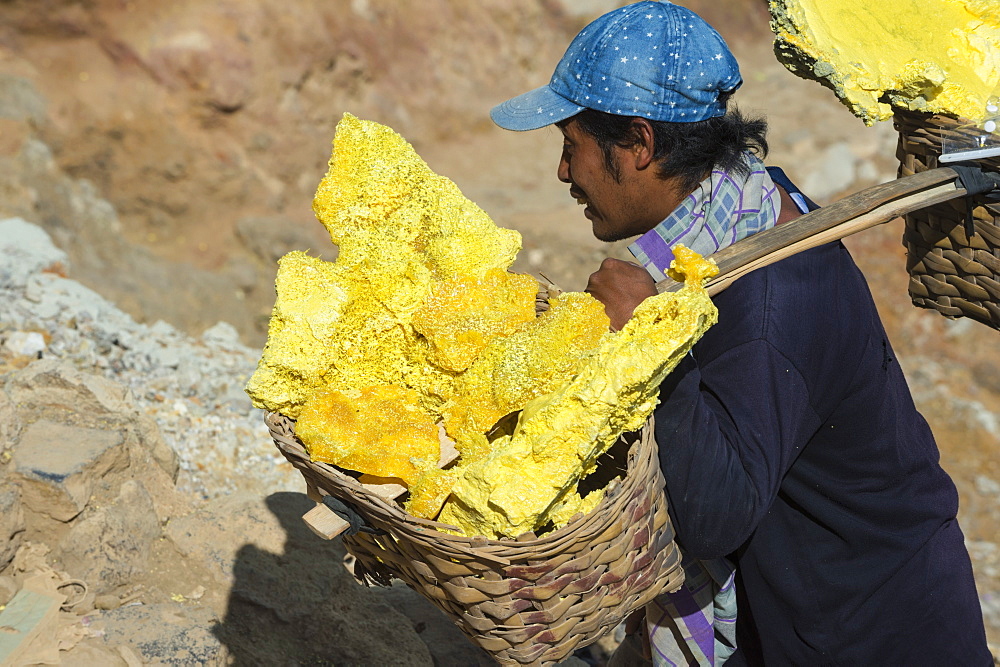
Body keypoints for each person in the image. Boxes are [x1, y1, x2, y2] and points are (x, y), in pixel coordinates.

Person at [489, 1, 993, 665]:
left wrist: (647, 342)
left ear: (639, 144)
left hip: (871, 636)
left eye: (571, 146)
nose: (563, 173)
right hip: (804, 615)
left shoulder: (770, 297)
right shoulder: (741, 211)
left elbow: (713, 512)